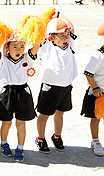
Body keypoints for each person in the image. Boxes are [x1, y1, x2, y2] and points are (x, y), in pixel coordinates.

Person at [0, 17, 44, 162]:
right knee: (6, 122)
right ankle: (4, 143)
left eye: (22, 46)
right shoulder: (3, 60)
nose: (18, 50)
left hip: (23, 93)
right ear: (7, 47)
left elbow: (37, 44)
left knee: (21, 123)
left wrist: (35, 28)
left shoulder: (28, 58)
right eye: (14, 46)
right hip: (7, 93)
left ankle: (20, 147)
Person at [35, 12, 78, 154]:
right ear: (51, 37)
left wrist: (59, 15)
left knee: (60, 113)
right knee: (44, 114)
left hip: (65, 87)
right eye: (61, 36)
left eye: (66, 35)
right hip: (50, 87)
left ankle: (57, 136)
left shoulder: (70, 44)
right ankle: (40, 138)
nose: (66, 38)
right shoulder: (47, 46)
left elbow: (71, 27)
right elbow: (38, 37)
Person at [81, 20, 104, 156]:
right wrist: (95, 88)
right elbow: (88, 73)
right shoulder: (97, 56)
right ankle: (95, 141)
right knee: (96, 118)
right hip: (99, 94)